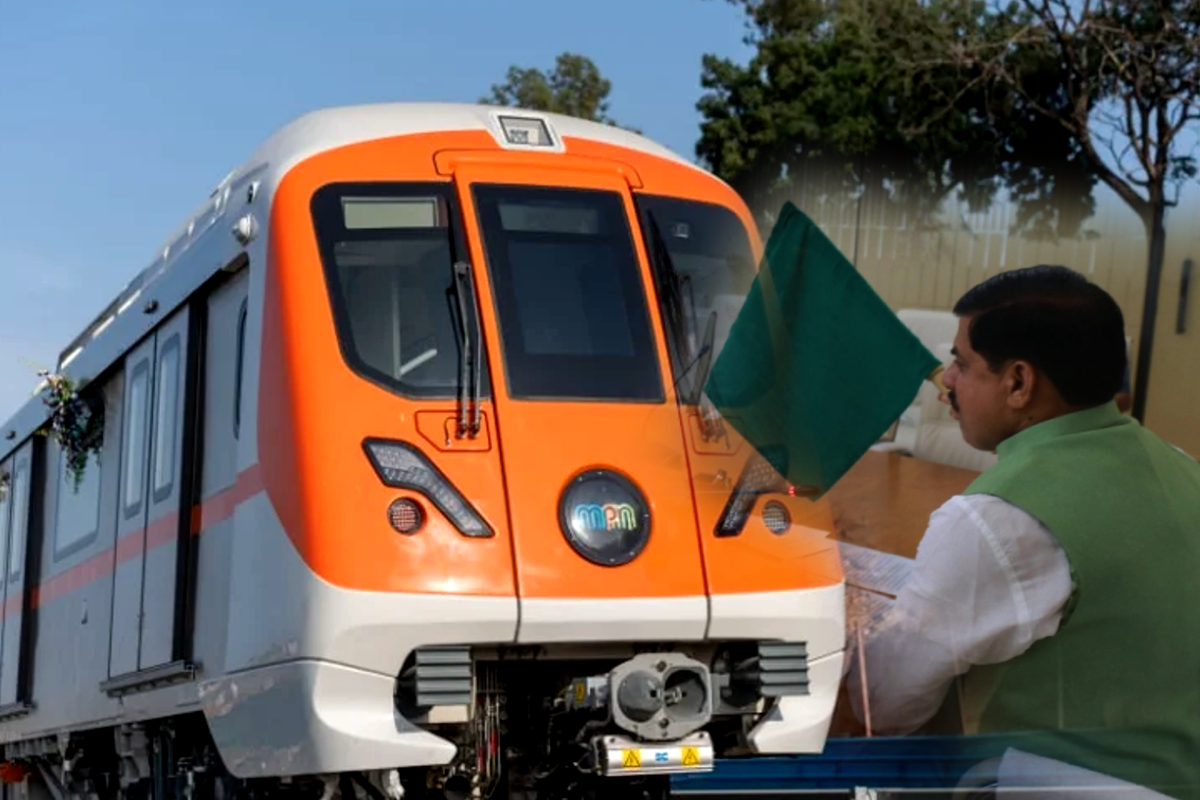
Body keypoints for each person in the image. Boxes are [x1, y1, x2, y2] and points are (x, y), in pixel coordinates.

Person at [843, 265, 1200, 799]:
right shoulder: (1184, 466)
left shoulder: (999, 521)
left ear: (1017, 383)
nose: (947, 383)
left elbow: (885, 704)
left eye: (961, 365)